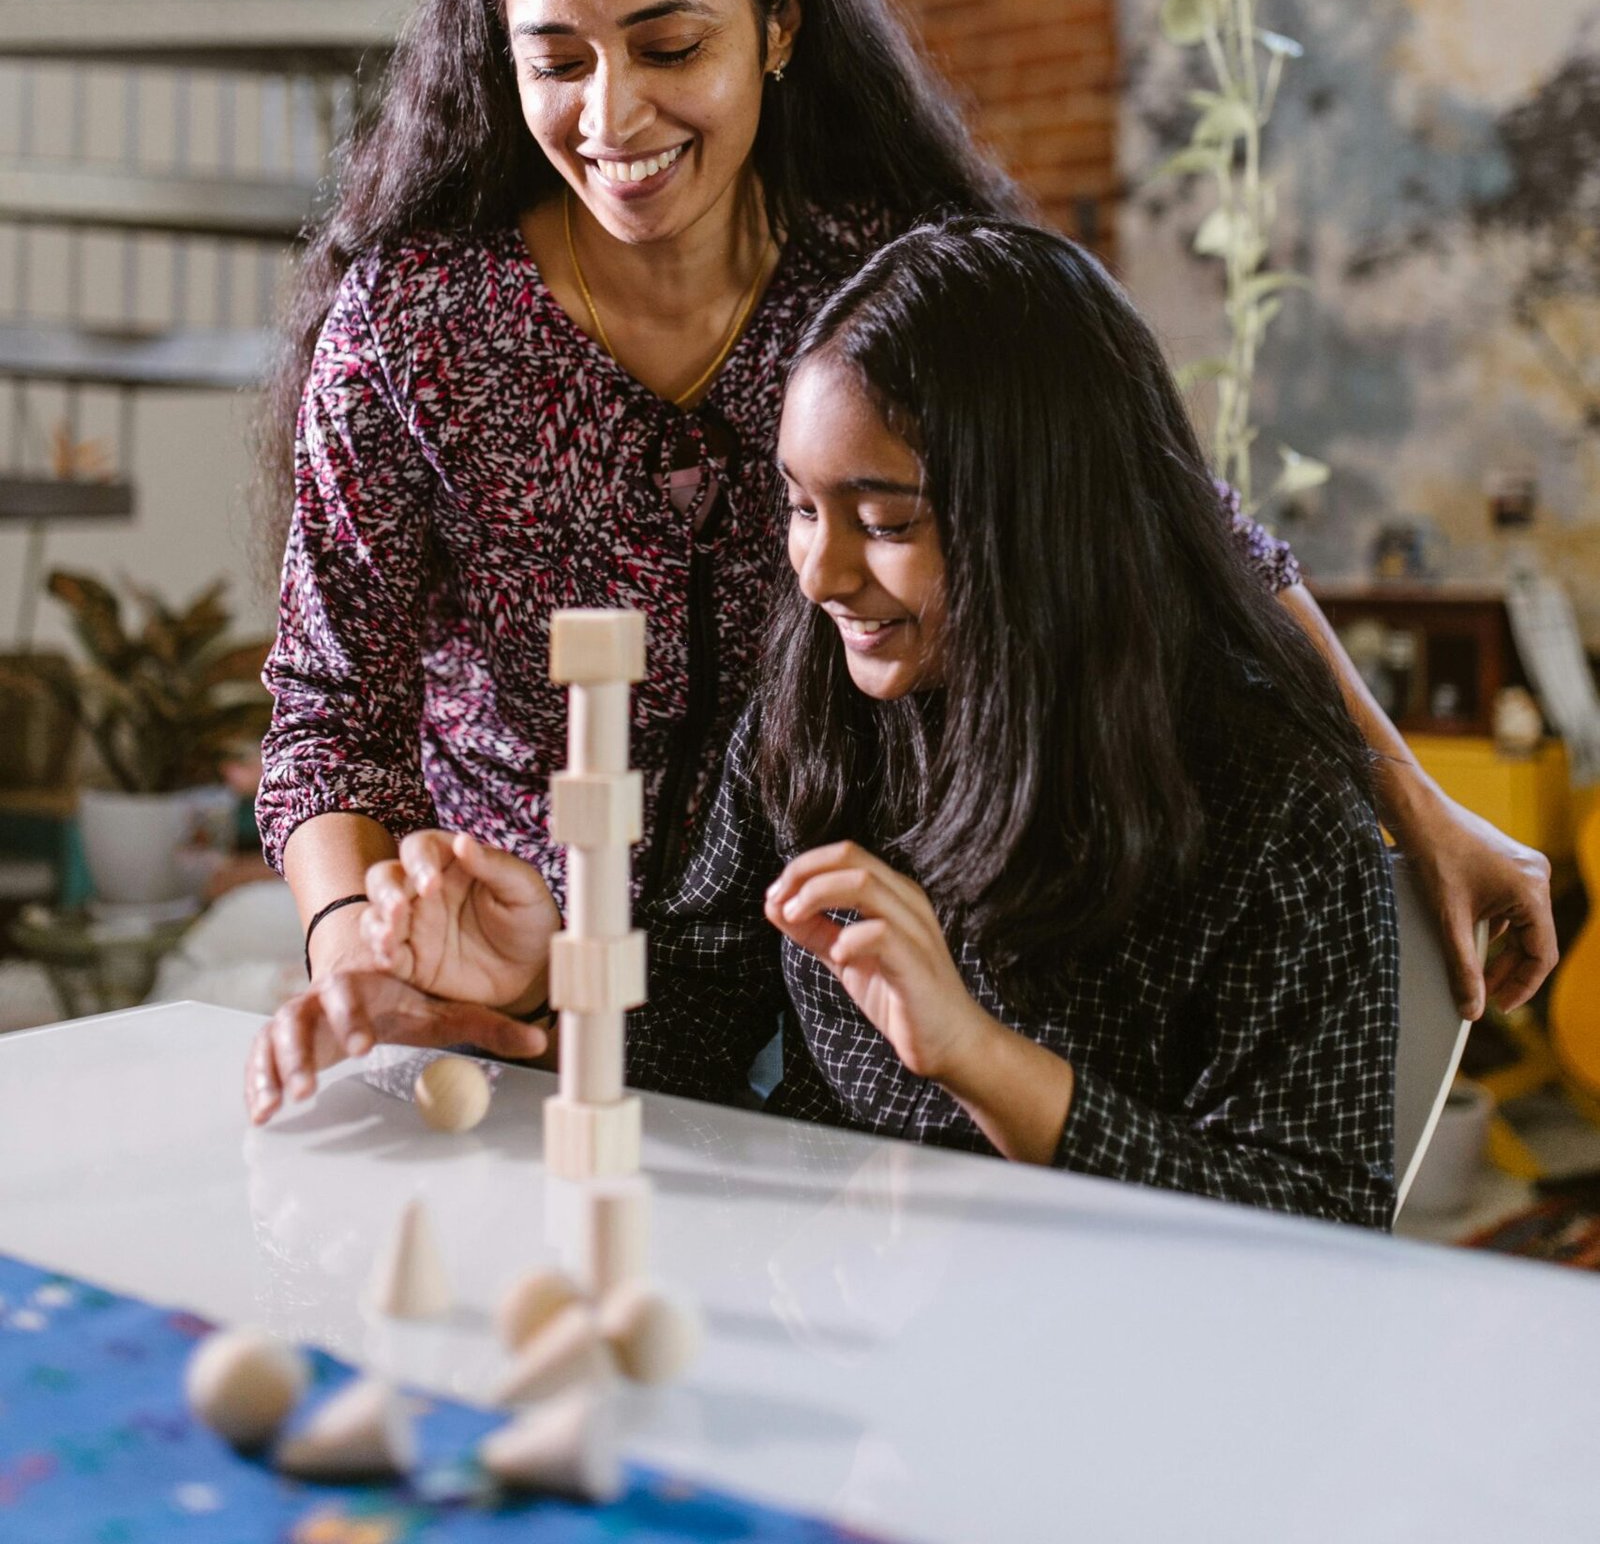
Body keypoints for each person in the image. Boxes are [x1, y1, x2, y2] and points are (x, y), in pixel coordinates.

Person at [246, 0, 1554, 1123]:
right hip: (548, 1001)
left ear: (778, 21)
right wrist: (359, 947)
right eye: (557, 60)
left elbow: (1171, 526)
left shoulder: (883, 280)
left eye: (668, 46)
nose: (611, 116)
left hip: (863, 993)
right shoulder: (414, 329)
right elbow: (329, 717)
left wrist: (1418, 803)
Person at [293, 222, 1400, 1227]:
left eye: (884, 521)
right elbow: (695, 1012)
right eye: (799, 507)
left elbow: (1321, 1237)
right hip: (840, 1351)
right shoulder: (819, 717)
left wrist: (979, 1059)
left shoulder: (1278, 817)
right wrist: (546, 985)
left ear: (1051, 514)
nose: (819, 573)